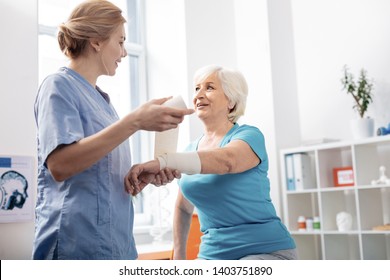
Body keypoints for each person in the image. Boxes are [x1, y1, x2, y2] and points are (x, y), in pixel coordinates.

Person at [32, 0, 193, 260]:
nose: (124, 52)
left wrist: (137, 178)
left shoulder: (105, 105)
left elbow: (96, 176)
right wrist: (135, 121)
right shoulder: (58, 87)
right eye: (120, 42)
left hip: (118, 248)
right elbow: (60, 165)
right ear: (96, 41)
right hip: (76, 248)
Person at [126, 65, 297, 260]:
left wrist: (165, 162)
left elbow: (227, 161)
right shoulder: (190, 151)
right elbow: (183, 208)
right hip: (212, 254)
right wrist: (179, 258)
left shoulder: (249, 136)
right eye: (197, 88)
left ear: (231, 102)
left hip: (264, 250)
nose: (199, 94)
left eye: (209, 87)